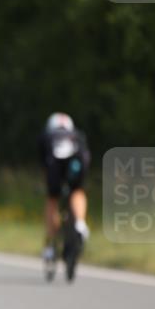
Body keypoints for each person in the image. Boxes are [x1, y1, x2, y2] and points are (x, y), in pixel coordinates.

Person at [38, 112, 90, 263]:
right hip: (77, 162)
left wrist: (48, 184)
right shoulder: (77, 134)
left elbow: (44, 165)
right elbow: (86, 155)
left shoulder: (46, 135)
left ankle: (51, 246)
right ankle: (80, 223)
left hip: (55, 165)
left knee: (52, 199)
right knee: (77, 191)